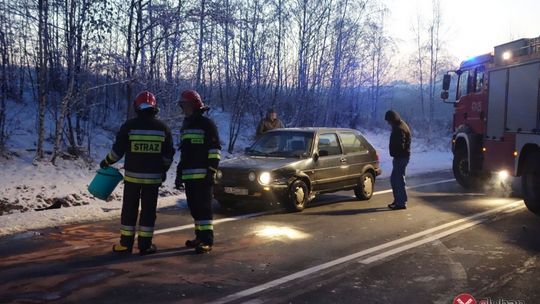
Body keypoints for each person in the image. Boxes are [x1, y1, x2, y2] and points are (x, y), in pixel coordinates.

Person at [101, 91, 175, 255]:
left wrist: (106, 162)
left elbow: (117, 152)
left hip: (132, 179)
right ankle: (145, 245)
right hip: (153, 181)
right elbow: (168, 155)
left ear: (137, 106)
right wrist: (163, 171)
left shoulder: (129, 126)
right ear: (155, 108)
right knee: (148, 212)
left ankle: (125, 245)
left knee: (129, 210)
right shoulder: (163, 128)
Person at [175, 90, 221, 254]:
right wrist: (179, 173)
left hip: (203, 175)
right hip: (189, 175)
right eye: (182, 105)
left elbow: (215, 149)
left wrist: (211, 171)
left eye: (186, 105)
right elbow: (185, 152)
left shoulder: (207, 124)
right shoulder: (186, 125)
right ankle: (199, 237)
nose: (184, 108)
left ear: (194, 105)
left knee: (204, 208)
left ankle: (207, 240)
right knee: (194, 208)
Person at [385, 110, 412, 210]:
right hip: (402, 157)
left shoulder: (399, 129)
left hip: (401, 157)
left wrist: (395, 153)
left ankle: (400, 202)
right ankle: (399, 200)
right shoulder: (401, 125)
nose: (388, 123)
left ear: (392, 119)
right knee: (396, 179)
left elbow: (401, 144)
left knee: (397, 180)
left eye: (389, 121)